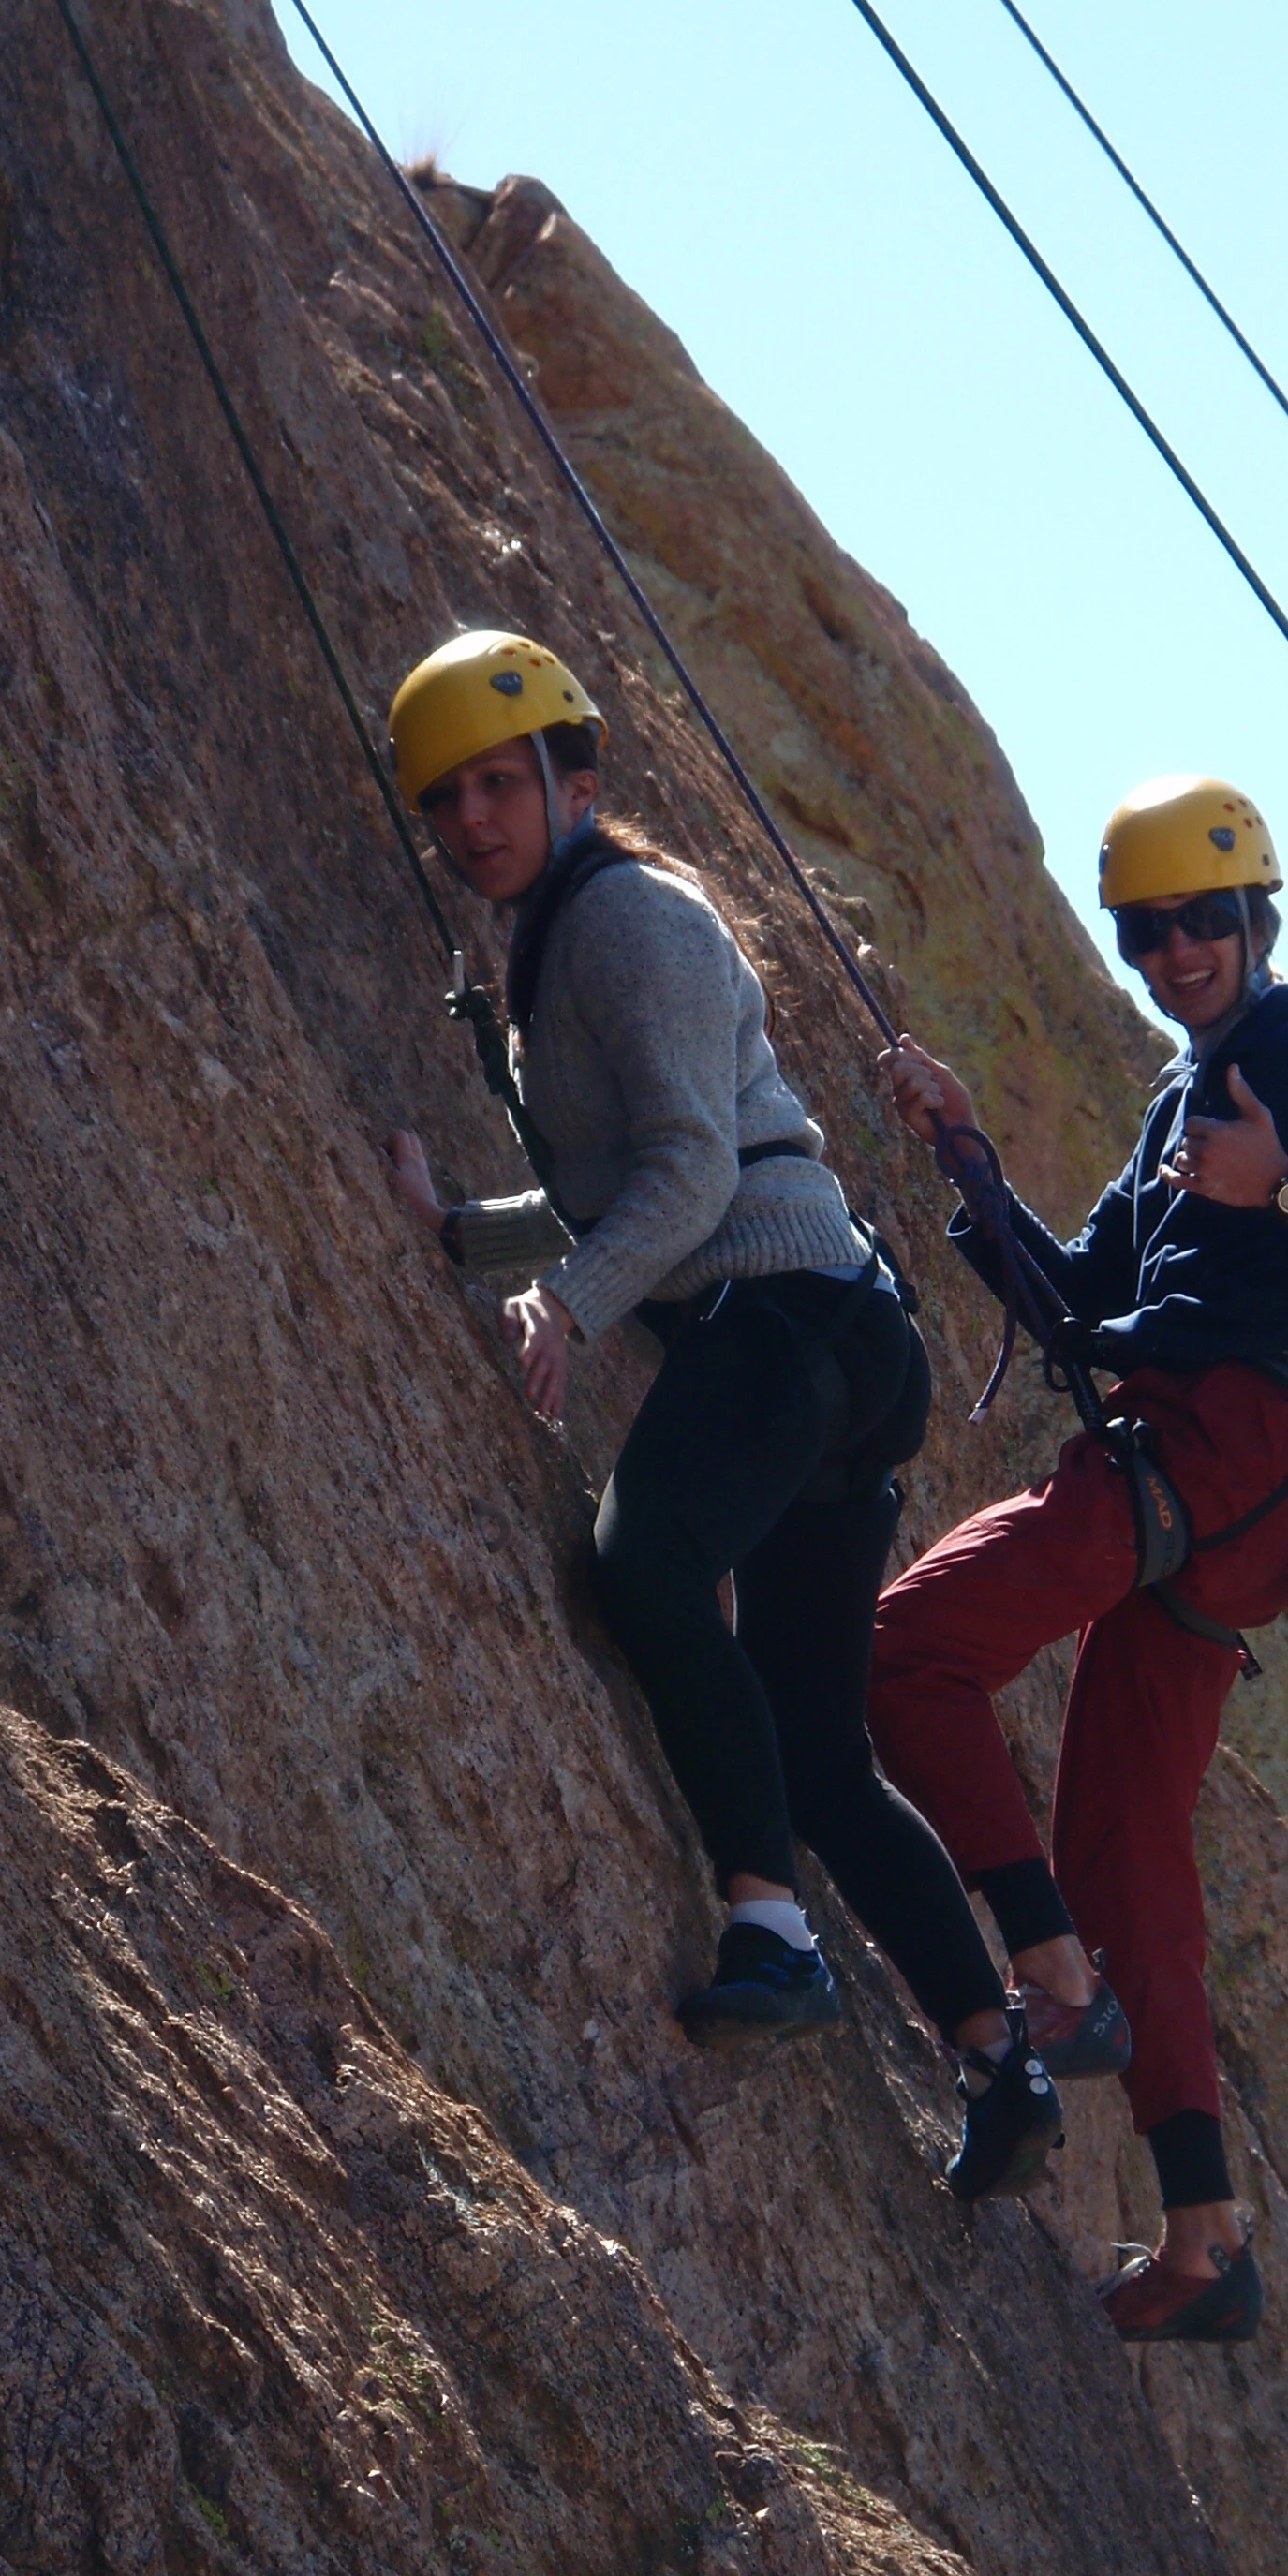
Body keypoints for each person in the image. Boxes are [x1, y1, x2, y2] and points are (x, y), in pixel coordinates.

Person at [378, 628, 1059, 2200]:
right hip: (832, 1343)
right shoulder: (569, 943)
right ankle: (999, 2060)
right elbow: (623, 1185)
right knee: (820, 1748)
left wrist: (569, 1302)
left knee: (644, 1565)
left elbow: (688, 1179)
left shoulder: (623, 922)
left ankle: (770, 1930)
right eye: (445, 801)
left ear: (577, 783)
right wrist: (470, 1236)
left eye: (499, 783)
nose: (472, 820)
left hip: (784, 1314)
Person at [869, 774, 1288, 2341]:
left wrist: (1279, 1189)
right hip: (1217, 1489)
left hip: (1228, 1448)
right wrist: (966, 1158)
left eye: (1203, 919)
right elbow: (1076, 1307)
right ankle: (1207, 2238)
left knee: (906, 1649)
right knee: (1126, 1854)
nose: (1176, 950)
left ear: (1256, 918)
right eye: (1147, 930)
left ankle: (1055, 1985)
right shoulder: (1171, 1108)